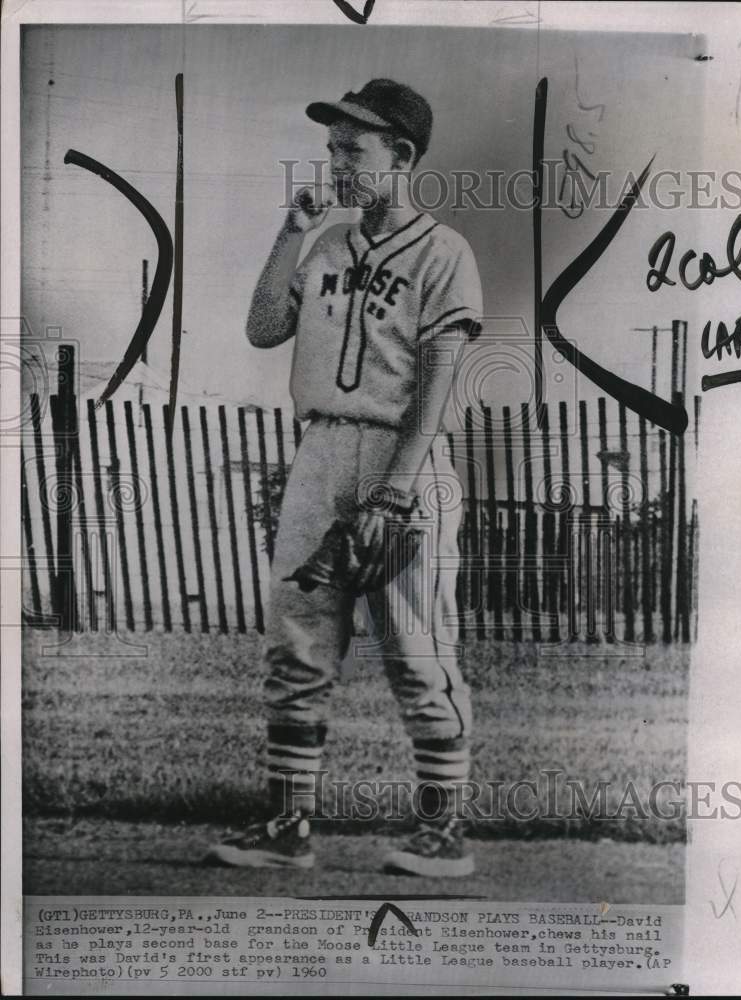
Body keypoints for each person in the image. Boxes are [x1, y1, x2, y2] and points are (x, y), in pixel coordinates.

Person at [205, 79, 483, 877]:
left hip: (404, 460)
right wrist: (290, 232)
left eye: (352, 150)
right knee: (296, 644)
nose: (336, 164)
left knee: (416, 650)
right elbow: (263, 328)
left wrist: (395, 492)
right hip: (320, 452)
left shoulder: (443, 253)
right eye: (331, 149)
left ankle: (443, 832)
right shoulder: (326, 245)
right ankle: (287, 827)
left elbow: (436, 385)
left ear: (401, 155)